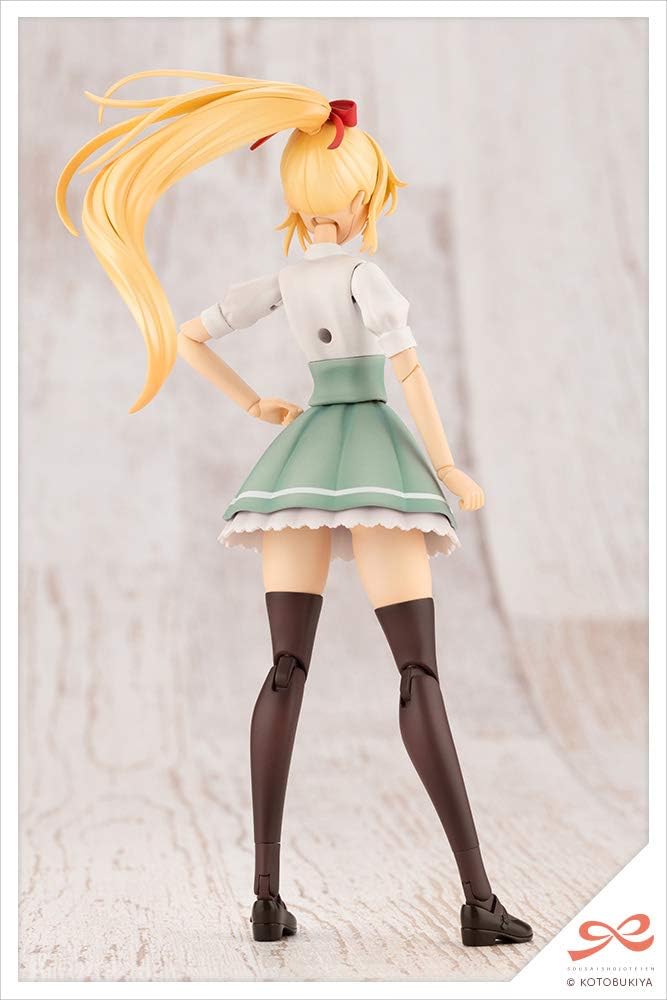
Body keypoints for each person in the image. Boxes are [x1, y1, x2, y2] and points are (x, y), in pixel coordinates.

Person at [57, 70, 532, 948]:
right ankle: (477, 900)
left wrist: (253, 405)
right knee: (416, 673)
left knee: (285, 667)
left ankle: (266, 901)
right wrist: (446, 465)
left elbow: (189, 335)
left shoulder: (286, 277)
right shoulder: (365, 274)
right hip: (376, 457)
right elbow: (410, 372)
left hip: (302, 458)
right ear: (364, 197)